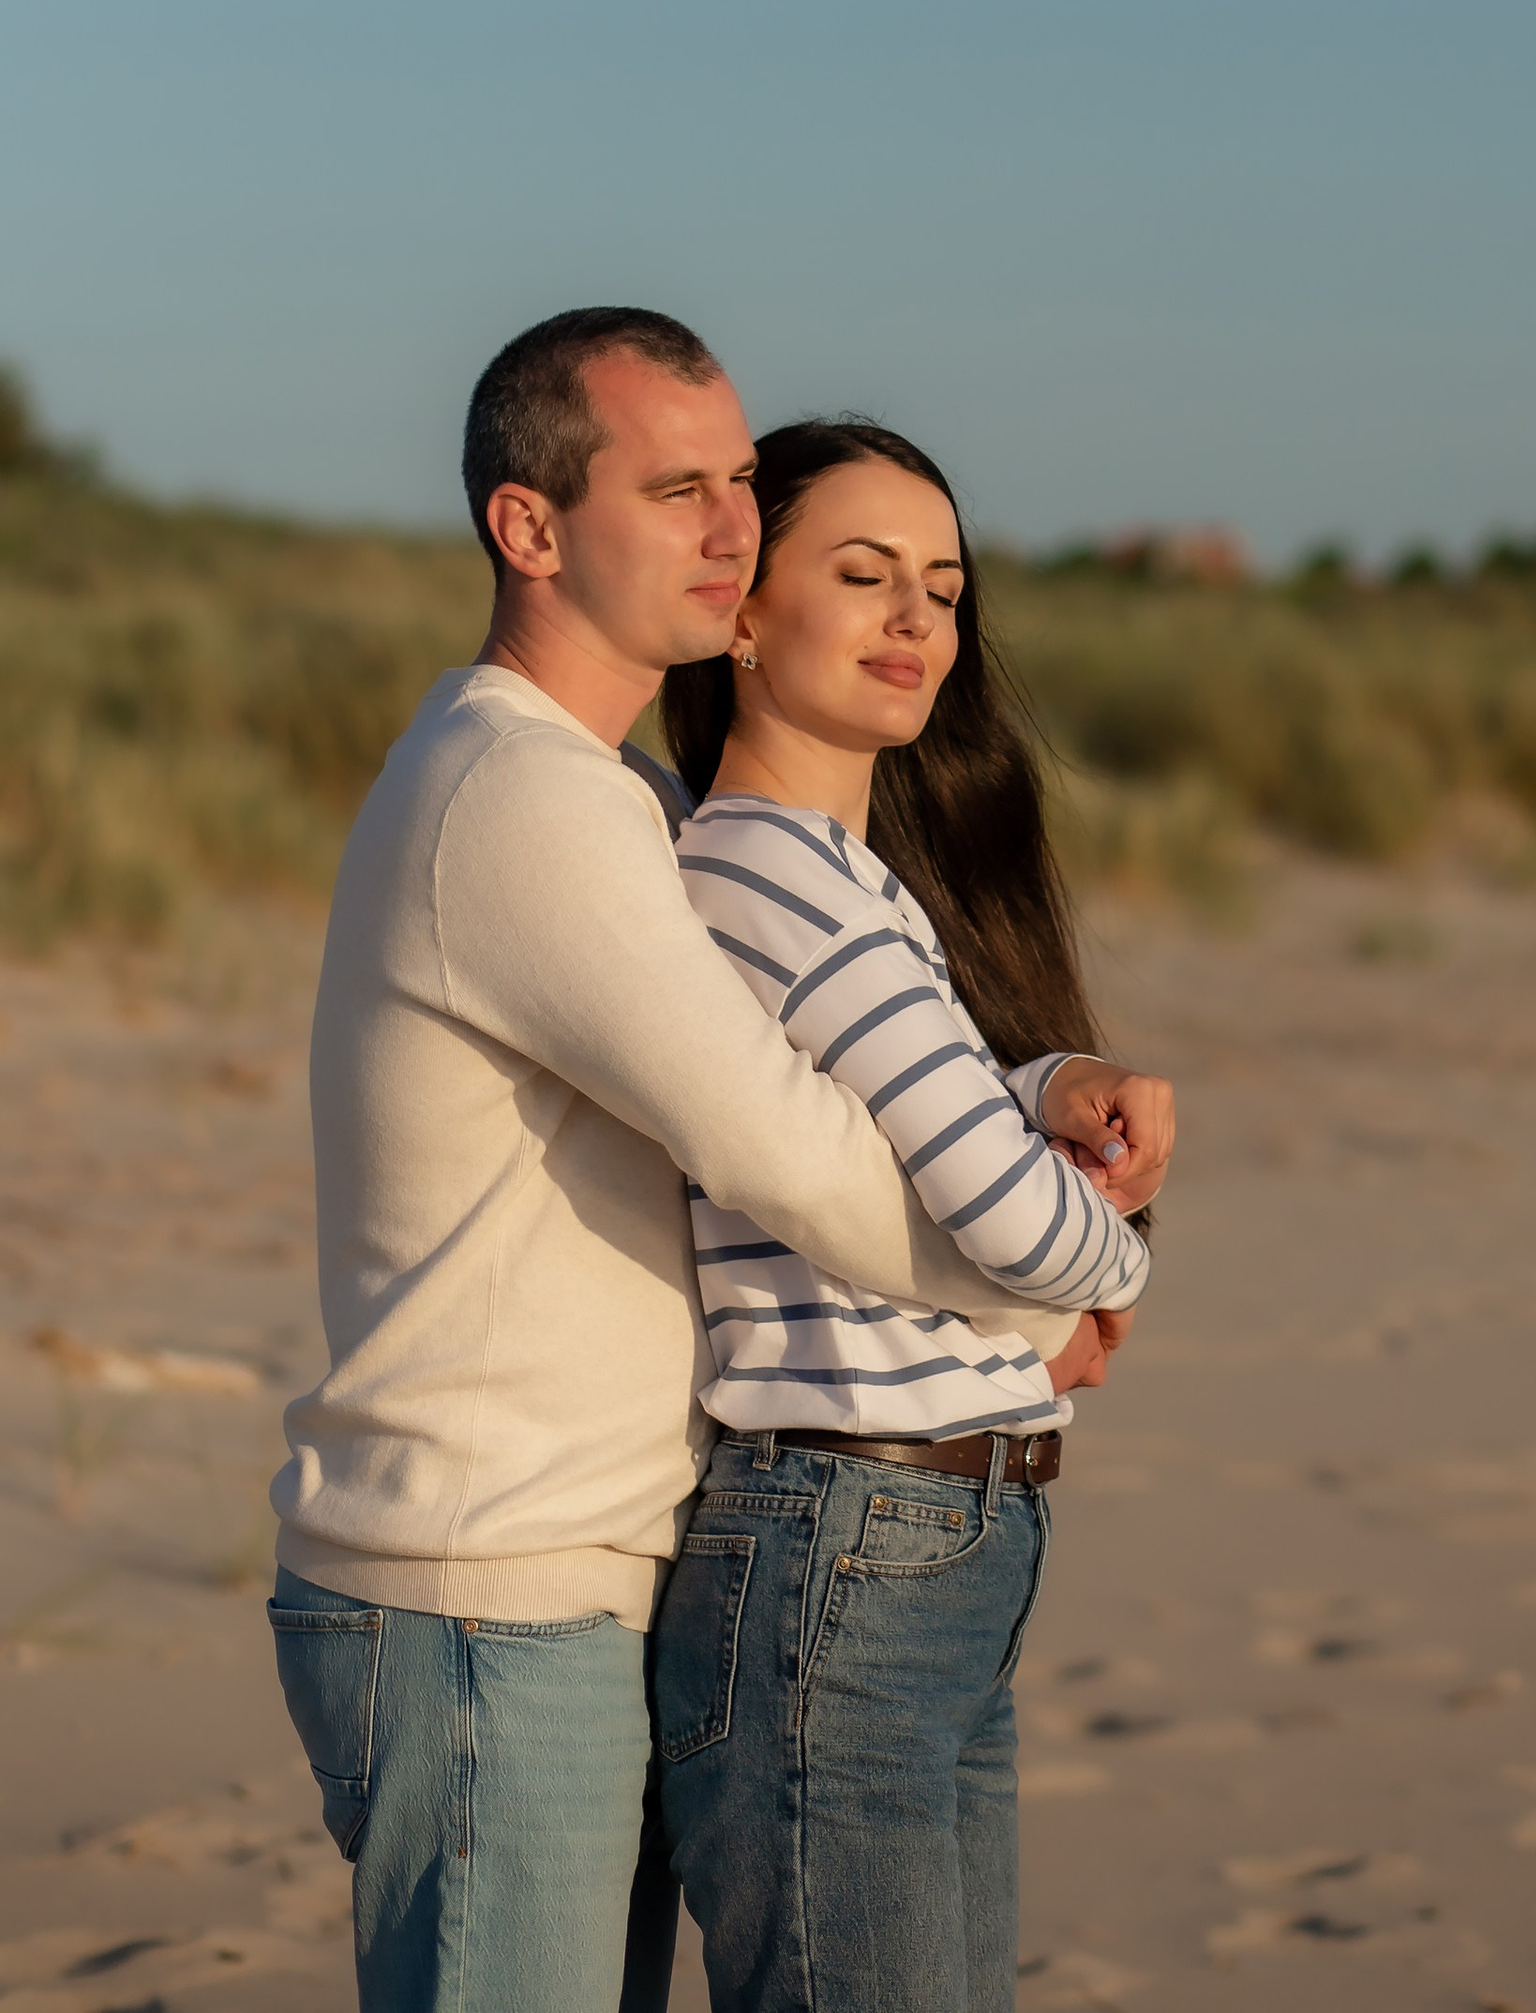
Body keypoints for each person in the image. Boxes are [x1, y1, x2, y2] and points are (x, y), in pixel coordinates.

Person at [269, 312, 1167, 2013]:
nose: (730, 527)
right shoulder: (521, 798)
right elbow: (797, 1148)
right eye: (676, 489)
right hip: (483, 1585)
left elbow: (821, 1086)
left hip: (571, 1572)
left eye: (742, 483)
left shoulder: (612, 806)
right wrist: (1080, 1282)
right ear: (527, 529)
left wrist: (1035, 1087)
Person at [649, 418, 1169, 2013]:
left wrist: (1051, 1081)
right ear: (738, 613)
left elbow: (921, 1111)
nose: (915, 622)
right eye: (862, 576)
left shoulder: (854, 888)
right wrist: (1113, 1271)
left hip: (924, 1555)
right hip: (842, 1554)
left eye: (941, 588)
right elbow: (1016, 1229)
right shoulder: (773, 873)